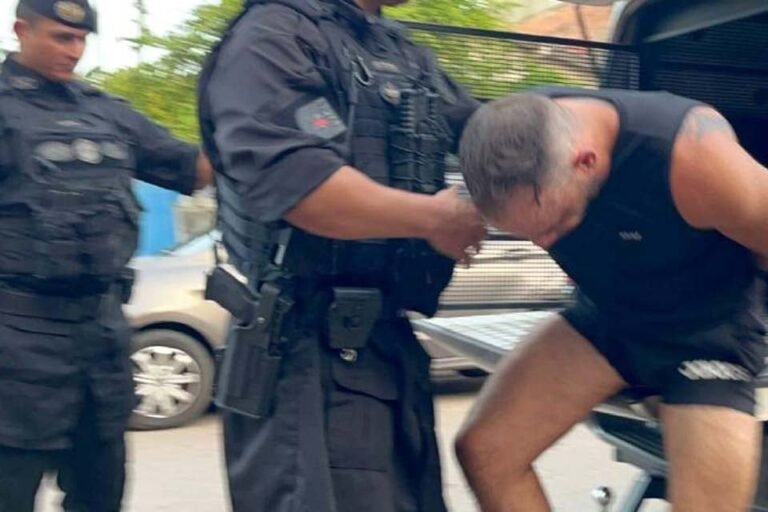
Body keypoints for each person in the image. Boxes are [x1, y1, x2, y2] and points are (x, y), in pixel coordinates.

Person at [197, 0, 485, 510]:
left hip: (383, 348)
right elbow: (302, 188)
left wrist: (589, 126)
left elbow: (485, 129)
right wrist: (435, 218)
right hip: (304, 358)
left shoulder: (393, 49)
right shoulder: (272, 38)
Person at [455, 86, 768, 512]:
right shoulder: (510, 139)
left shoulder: (693, 157)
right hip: (610, 317)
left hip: (707, 334)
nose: (544, 243)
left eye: (556, 226)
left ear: (585, 162)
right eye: (528, 235)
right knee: (486, 451)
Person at [0, 1, 214, 511]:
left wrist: (253, 125)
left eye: (81, 40)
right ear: (22, 30)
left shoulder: (106, 112)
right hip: (15, 345)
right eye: (61, 38)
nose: (74, 51)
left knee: (101, 497)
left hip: (101, 342)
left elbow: (195, 169)